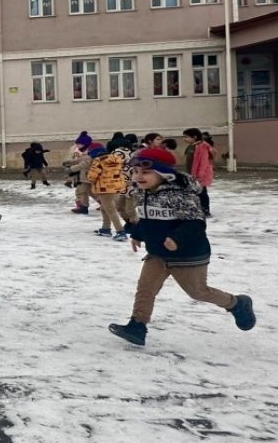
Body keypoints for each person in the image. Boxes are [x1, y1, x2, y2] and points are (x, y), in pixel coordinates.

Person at [107, 148, 254, 346]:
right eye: (135, 171)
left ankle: (236, 303)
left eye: (146, 172)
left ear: (163, 173)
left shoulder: (179, 194)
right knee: (145, 289)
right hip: (158, 254)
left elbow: (195, 222)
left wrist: (177, 238)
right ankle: (137, 326)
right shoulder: (144, 193)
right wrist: (138, 234)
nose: (139, 176)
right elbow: (147, 218)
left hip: (187, 254)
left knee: (198, 292)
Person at [88, 141, 131, 240]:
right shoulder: (116, 159)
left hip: (104, 189)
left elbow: (92, 176)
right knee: (105, 208)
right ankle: (105, 228)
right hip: (116, 187)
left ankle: (120, 231)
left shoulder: (99, 161)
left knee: (111, 210)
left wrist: (91, 180)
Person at [184, 128, 215, 217]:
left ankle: (205, 210)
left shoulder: (202, 146)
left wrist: (199, 175)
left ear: (194, 137)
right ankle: (198, 209)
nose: (184, 139)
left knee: (202, 192)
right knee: (195, 192)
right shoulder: (192, 146)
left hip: (200, 174)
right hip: (193, 174)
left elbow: (203, 162)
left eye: (186, 137)